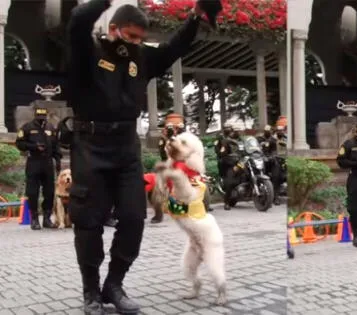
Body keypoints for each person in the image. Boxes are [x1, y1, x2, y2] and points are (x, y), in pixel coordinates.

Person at [65, 1, 221, 314]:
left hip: (125, 148)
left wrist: (195, 16)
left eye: (140, 38)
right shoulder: (89, 52)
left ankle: (114, 284)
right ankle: (91, 290)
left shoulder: (142, 59)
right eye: (130, 36)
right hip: (90, 146)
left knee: (135, 218)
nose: (136, 42)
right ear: (113, 29)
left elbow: (175, 46)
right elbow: (79, 20)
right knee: (89, 223)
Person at [15, 107, 62, 230]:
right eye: (39, 118)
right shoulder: (27, 127)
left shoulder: (51, 127)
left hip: (47, 163)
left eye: (43, 117)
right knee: (32, 192)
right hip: (33, 162)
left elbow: (56, 146)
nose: (42, 120)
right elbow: (19, 143)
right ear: (35, 116)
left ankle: (47, 218)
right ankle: (34, 219)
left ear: (46, 116)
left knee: (49, 192)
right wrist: (34, 146)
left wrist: (57, 161)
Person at [257, 125, 282, 205]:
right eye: (266, 131)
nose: (268, 132)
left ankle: (276, 197)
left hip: (270, 160)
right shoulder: (259, 139)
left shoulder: (273, 140)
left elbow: (274, 151)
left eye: (269, 131)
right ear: (264, 131)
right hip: (261, 160)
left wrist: (271, 157)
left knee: (276, 176)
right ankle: (260, 195)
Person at [221, 127, 243, 210]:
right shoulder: (226, 142)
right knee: (229, 182)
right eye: (234, 132)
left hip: (240, 164)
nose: (236, 133)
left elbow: (244, 153)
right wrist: (233, 165)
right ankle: (226, 203)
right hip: (230, 165)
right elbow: (223, 156)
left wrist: (240, 164)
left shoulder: (240, 142)